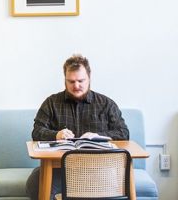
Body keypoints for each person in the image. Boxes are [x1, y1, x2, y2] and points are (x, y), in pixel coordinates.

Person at [25, 54, 129, 200]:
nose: (76, 86)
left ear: (89, 78)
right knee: (35, 183)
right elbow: (37, 132)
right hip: (61, 170)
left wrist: (99, 136)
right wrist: (56, 135)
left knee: (122, 183)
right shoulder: (51, 103)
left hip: (100, 171)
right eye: (71, 81)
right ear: (65, 80)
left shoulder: (106, 104)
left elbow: (123, 133)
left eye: (81, 81)